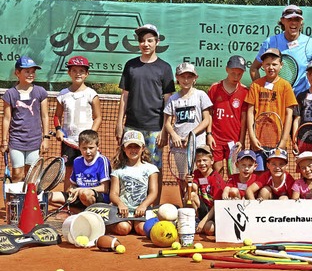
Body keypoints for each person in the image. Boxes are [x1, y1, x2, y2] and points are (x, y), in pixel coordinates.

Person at [116, 24, 174, 204]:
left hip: (155, 127)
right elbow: (124, 96)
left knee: (154, 169)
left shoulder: (164, 68)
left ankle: (153, 207)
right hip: (132, 126)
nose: (145, 44)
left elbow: (168, 100)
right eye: (142, 41)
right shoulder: (130, 66)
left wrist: (165, 128)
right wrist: (119, 124)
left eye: (149, 40)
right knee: (128, 165)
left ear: (156, 42)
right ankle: (127, 203)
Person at [250, 5, 312, 96]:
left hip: (301, 100)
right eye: (290, 19)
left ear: (301, 22)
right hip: (276, 99)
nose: (293, 23)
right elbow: (254, 68)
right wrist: (261, 90)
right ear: (283, 21)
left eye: (297, 19)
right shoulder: (270, 42)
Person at [163, 62, 212, 200]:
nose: (186, 80)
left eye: (189, 76)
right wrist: (174, 135)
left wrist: (192, 134)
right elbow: (167, 122)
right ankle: (185, 208)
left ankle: (201, 208)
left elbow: (206, 119)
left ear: (195, 78)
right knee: (183, 178)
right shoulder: (173, 99)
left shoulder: (201, 95)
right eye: (182, 76)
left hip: (198, 144)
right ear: (177, 78)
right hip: (180, 147)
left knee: (199, 178)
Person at [54, 56, 102, 191]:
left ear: (87, 74)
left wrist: (91, 135)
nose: (78, 73)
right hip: (69, 141)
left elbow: (98, 117)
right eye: (74, 70)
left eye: (81, 70)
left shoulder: (92, 94)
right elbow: (57, 116)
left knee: (88, 168)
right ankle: (68, 202)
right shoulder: (63, 94)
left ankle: (87, 198)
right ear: (69, 73)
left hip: (86, 142)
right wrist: (58, 129)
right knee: (69, 170)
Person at [245, 48, 298, 172]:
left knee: (275, 175)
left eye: (274, 64)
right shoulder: (255, 85)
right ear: (262, 65)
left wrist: (284, 141)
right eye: (267, 64)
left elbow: (289, 114)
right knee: (258, 175)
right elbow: (250, 112)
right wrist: (252, 138)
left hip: (278, 142)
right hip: (258, 141)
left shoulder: (285, 86)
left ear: (281, 65)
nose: (271, 67)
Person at [1, 56, 49, 181]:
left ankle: (27, 200)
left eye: (33, 71)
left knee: (31, 176)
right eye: (27, 71)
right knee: (17, 174)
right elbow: (6, 118)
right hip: (16, 140)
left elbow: (45, 116)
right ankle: (15, 200)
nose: (30, 74)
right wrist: (4, 141)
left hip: (35, 141)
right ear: (17, 73)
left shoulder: (41, 92)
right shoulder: (10, 94)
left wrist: (46, 138)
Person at [109, 130, 159, 236]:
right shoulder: (118, 170)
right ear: (123, 148)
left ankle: (134, 224)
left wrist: (143, 206)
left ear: (143, 148)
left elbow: (153, 192)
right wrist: (120, 204)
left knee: (142, 230)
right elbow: (113, 194)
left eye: (136, 146)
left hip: (142, 210)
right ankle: (110, 225)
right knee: (123, 229)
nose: (133, 150)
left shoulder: (151, 168)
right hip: (122, 211)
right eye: (129, 146)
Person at [206, 55, 249, 175]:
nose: (236, 77)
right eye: (233, 73)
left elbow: (244, 118)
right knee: (217, 171)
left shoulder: (245, 91)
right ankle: (218, 194)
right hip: (216, 139)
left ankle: (231, 194)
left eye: (239, 74)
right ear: (227, 69)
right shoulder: (214, 88)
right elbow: (209, 113)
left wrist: (241, 140)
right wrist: (209, 134)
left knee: (234, 173)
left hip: (234, 141)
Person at [49, 130, 110, 213]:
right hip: (79, 195)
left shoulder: (102, 161)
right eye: (84, 148)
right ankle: (80, 212)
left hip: (96, 197)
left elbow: (105, 188)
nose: (88, 151)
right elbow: (73, 185)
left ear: (97, 147)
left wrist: (80, 190)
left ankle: (92, 215)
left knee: (84, 193)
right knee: (49, 197)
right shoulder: (77, 161)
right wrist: (72, 190)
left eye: (91, 148)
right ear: (79, 147)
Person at [185, 146, 224, 236]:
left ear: (212, 161)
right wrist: (188, 182)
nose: (202, 163)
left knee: (209, 229)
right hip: (203, 208)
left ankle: (202, 225)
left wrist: (203, 222)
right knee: (190, 195)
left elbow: (217, 206)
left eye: (205, 160)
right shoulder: (197, 173)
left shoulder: (216, 179)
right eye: (198, 161)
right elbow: (193, 189)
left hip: (214, 212)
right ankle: (193, 220)